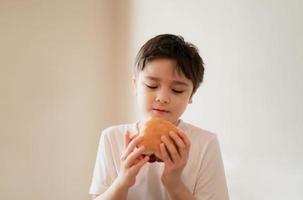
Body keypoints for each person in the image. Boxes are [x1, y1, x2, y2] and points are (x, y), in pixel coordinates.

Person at [89, 34, 229, 200]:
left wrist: (174, 183)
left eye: (177, 90)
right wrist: (123, 180)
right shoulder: (112, 137)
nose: (162, 97)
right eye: (152, 85)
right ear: (135, 86)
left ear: (191, 95)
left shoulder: (205, 143)